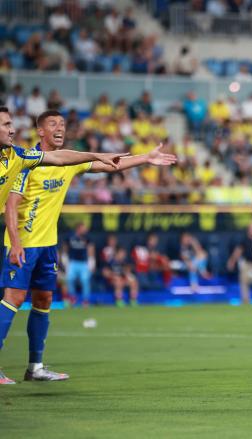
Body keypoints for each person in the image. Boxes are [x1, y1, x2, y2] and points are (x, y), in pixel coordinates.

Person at [0, 110, 176, 385]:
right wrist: (16, 242)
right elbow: (11, 205)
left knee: (44, 300)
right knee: (14, 298)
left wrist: (146, 158)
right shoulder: (25, 162)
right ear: (41, 132)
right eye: (53, 124)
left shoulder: (69, 160)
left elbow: (110, 165)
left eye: (62, 124)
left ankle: (35, 367)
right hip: (23, 244)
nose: (60, 128)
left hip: (48, 245)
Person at [0, 106, 128, 208]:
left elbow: (58, 158)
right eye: (6, 125)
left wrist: (97, 155)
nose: (12, 131)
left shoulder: (17, 155)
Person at [62, 223, 95, 307]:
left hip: (84, 263)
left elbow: (91, 250)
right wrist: (65, 262)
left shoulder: (87, 238)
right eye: (83, 228)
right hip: (72, 262)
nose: (85, 230)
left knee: (85, 280)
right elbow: (65, 249)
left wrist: (91, 263)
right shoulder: (70, 237)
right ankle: (72, 298)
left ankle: (85, 300)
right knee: (69, 279)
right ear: (78, 228)